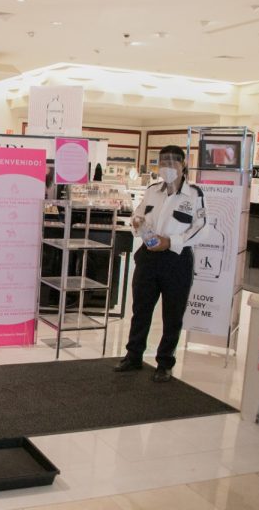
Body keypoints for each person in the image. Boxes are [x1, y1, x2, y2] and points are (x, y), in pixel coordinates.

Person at [114, 145, 207, 382]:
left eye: (173, 163)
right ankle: (133, 356)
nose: (167, 167)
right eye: (163, 162)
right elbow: (138, 213)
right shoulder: (153, 191)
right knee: (141, 309)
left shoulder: (194, 195)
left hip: (176, 260)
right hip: (148, 257)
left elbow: (200, 228)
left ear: (183, 164)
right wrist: (138, 225)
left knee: (172, 314)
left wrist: (171, 241)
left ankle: (165, 363)